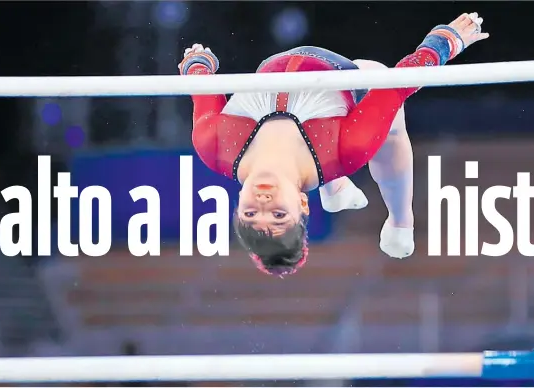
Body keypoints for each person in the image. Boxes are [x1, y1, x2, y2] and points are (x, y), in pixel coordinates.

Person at [179, 13, 489, 276]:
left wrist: (196, 63)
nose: (262, 202)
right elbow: (396, 86)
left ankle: (335, 189)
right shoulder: (347, 148)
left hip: (285, 82)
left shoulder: (214, 146)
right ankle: (400, 221)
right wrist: (444, 41)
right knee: (389, 125)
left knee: (331, 146)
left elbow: (203, 88)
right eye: (277, 216)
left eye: (249, 214)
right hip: (349, 80)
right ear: (302, 206)